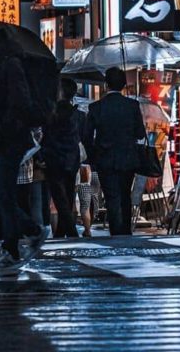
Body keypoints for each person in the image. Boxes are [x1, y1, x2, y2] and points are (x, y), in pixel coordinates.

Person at [0, 32, 46, 267]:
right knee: (4, 194)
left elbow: (19, 103)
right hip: (7, 138)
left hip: (9, 139)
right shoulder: (8, 65)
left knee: (4, 194)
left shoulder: (11, 65)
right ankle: (18, 240)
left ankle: (24, 237)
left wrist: (6, 125)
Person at [84, 67, 146, 236]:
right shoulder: (132, 106)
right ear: (124, 84)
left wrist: (93, 156)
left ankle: (115, 232)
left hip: (105, 158)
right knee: (125, 195)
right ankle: (125, 231)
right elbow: (140, 133)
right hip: (128, 158)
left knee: (112, 197)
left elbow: (87, 136)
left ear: (106, 84)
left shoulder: (96, 107)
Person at [42, 95, 82, 238]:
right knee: (68, 196)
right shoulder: (76, 115)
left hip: (54, 161)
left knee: (59, 198)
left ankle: (69, 231)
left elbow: (46, 137)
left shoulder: (52, 114)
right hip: (71, 161)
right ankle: (62, 231)